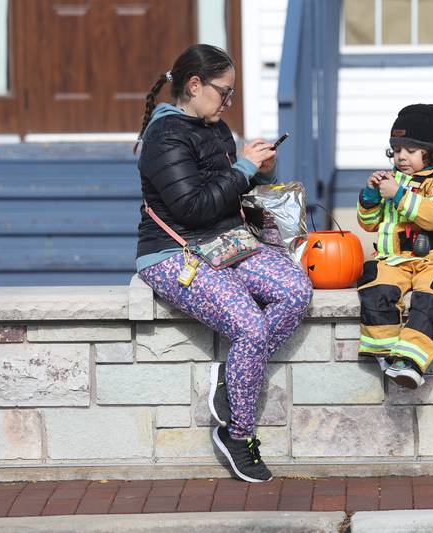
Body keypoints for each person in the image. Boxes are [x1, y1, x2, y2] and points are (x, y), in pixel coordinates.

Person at [134, 44, 312, 483]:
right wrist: (245, 167)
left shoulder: (214, 126)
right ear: (194, 86)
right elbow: (192, 207)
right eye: (223, 92)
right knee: (249, 326)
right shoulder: (164, 137)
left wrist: (260, 168)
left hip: (225, 241)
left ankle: (232, 379)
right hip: (174, 253)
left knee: (296, 290)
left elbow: (231, 190)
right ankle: (238, 434)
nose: (229, 102)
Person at [356, 104, 433, 389]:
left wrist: (399, 195)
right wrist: (370, 196)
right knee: (375, 282)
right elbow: (369, 223)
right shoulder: (393, 180)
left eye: (410, 150)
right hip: (396, 260)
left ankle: (411, 361)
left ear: (430, 152)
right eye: (396, 150)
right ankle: (384, 352)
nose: (401, 156)